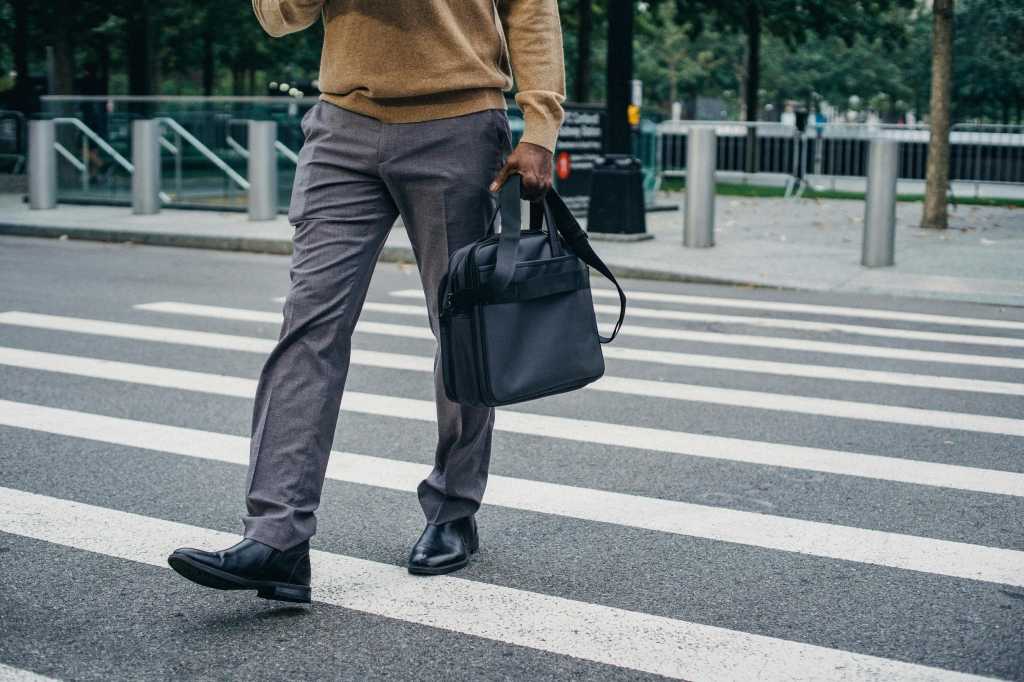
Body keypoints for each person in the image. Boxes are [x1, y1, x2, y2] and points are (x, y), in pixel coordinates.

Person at [168, 0, 565, 604]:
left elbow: (531, 9)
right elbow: (279, 17)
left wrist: (540, 126)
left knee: (461, 331)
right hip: (342, 127)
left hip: (458, 123)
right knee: (308, 327)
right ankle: (277, 537)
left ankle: (454, 508)